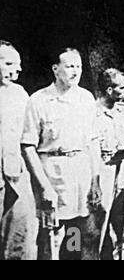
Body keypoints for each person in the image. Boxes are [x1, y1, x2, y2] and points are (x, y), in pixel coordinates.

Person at [21, 48, 102, 260]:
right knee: (52, 234)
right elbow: (28, 146)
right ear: (56, 70)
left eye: (79, 66)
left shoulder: (86, 98)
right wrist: (44, 186)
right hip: (53, 171)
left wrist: (95, 180)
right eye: (69, 66)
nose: (75, 72)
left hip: (81, 171)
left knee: (82, 229)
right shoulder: (38, 100)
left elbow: (93, 141)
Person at [0, 40, 38, 260]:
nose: (18, 69)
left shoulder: (21, 94)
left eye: (18, 64)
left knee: (19, 240)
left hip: (17, 177)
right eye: (9, 63)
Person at [96, 68, 124, 260]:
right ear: (109, 90)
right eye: (122, 88)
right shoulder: (93, 111)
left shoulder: (122, 109)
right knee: (99, 222)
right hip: (101, 170)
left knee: (121, 220)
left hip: (121, 171)